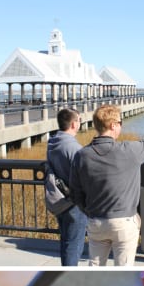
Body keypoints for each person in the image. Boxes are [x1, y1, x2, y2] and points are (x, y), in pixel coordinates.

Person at [70, 105, 144, 266]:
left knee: (95, 266)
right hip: (124, 222)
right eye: (120, 122)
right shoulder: (129, 151)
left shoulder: (82, 155)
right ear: (113, 125)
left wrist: (89, 211)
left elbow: (75, 192)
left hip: (96, 221)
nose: (121, 125)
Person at [46, 108, 87, 266]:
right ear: (73, 124)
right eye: (79, 120)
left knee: (66, 242)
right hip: (73, 203)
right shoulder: (73, 148)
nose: (80, 123)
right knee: (74, 245)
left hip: (59, 199)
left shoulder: (53, 142)